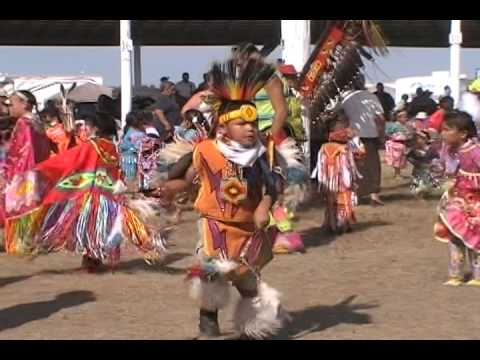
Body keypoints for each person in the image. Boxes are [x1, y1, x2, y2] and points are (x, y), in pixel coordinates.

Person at [155, 57, 288, 340]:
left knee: (246, 281)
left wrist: (264, 206)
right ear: (224, 127)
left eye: (253, 123)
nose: (250, 128)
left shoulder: (263, 152)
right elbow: (186, 179)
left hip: (247, 228)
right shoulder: (205, 150)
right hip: (214, 224)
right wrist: (169, 189)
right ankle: (208, 324)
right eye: (242, 123)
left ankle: (253, 327)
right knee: (209, 272)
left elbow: (272, 185)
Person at [4, 111, 166, 270]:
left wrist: (42, 169)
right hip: (108, 195)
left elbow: (69, 160)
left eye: (86, 126)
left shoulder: (93, 145)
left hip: (93, 196)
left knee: (80, 225)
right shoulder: (111, 146)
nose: (84, 130)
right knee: (100, 228)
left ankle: (92, 258)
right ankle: (144, 245)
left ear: (94, 128)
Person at [433, 111, 480, 286]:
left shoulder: (475, 151)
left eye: (447, 130)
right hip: (456, 199)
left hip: (475, 202)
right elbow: (444, 169)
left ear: (463, 133)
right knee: (454, 235)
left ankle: (478, 275)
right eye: (442, 129)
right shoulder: (448, 149)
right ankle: (455, 274)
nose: (443, 133)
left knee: (475, 238)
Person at [311, 112, 365, 234]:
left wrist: (354, 139)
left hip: (335, 180)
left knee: (334, 199)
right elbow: (360, 153)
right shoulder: (340, 147)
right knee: (338, 198)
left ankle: (335, 223)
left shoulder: (328, 147)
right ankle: (339, 224)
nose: (347, 129)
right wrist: (355, 138)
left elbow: (360, 154)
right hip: (337, 180)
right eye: (344, 126)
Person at [340, 75, 385, 205]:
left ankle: (356, 195)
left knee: (355, 165)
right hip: (370, 135)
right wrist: (382, 134)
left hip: (353, 136)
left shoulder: (345, 97)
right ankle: (374, 195)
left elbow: (337, 114)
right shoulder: (371, 97)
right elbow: (380, 118)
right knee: (372, 165)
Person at [407, 130, 442, 199]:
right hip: (418, 171)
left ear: (426, 140)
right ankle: (419, 196)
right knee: (418, 184)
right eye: (416, 139)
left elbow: (436, 158)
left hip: (429, 171)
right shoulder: (414, 150)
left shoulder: (431, 149)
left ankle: (425, 193)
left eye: (420, 139)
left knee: (428, 184)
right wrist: (415, 163)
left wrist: (434, 164)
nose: (417, 141)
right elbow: (409, 157)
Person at [119, 111, 148, 184]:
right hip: (132, 159)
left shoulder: (129, 131)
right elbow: (142, 147)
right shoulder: (137, 134)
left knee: (127, 178)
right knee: (131, 180)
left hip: (125, 159)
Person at [385, 109, 411, 178]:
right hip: (396, 145)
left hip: (402, 144)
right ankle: (397, 174)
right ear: (398, 117)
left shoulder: (405, 126)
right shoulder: (394, 125)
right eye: (404, 117)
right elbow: (387, 133)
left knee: (401, 160)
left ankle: (398, 173)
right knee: (396, 159)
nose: (406, 118)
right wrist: (394, 137)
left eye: (406, 117)